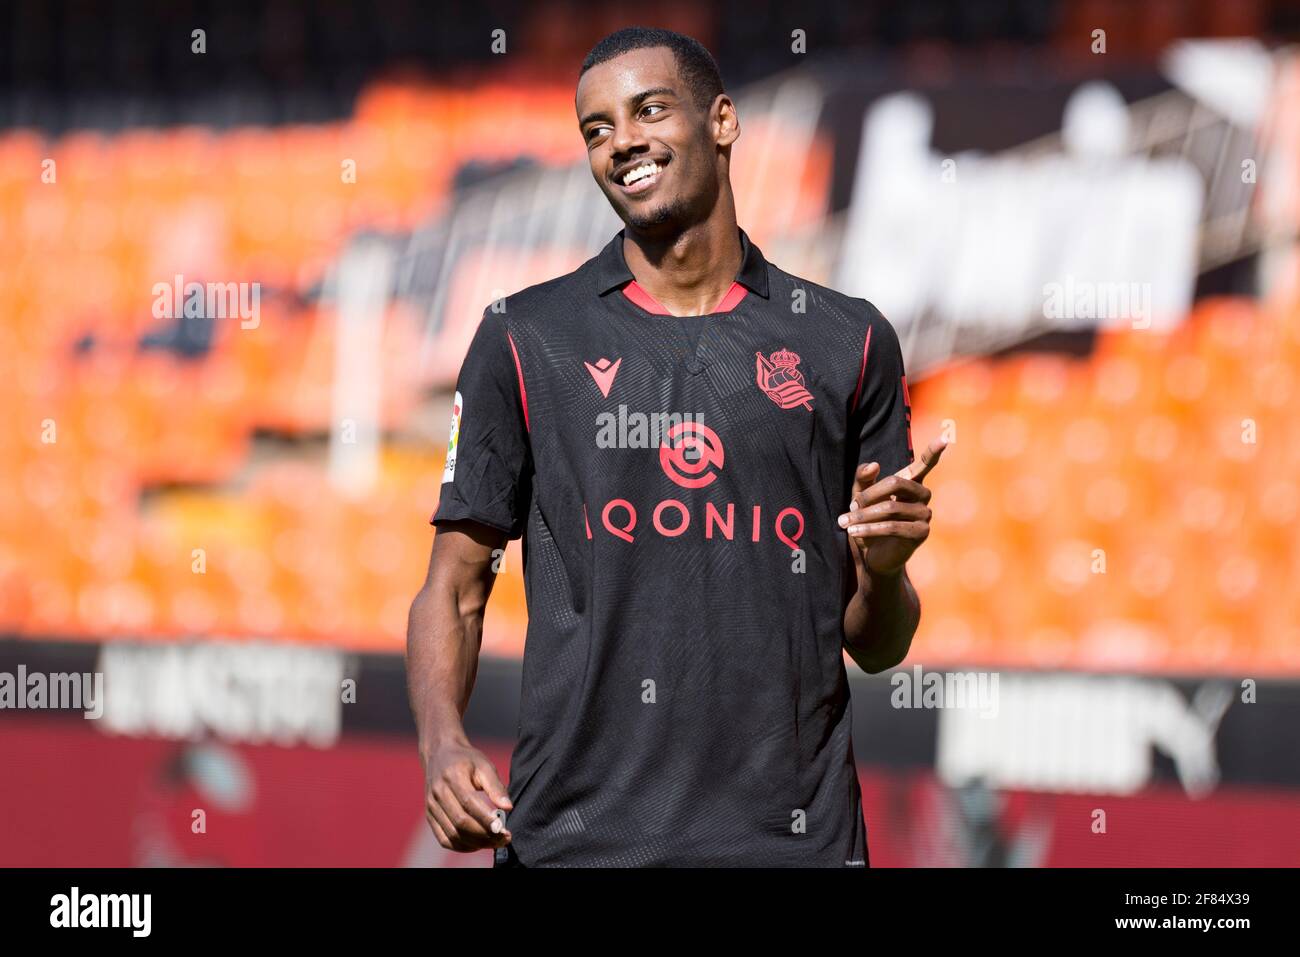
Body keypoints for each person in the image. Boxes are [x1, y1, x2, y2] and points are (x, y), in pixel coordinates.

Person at [405, 25, 946, 868]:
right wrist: (441, 743)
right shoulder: (526, 337)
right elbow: (455, 586)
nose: (622, 141)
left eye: (649, 109)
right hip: (576, 843)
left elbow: (879, 644)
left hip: (791, 845)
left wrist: (883, 567)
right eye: (596, 128)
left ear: (723, 120)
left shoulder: (849, 342)